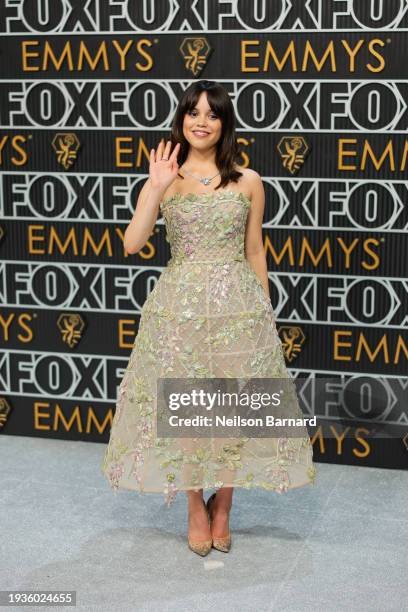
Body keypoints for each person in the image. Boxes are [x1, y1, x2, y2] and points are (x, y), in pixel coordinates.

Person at [101, 80, 316, 556]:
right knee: (190, 407)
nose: (201, 121)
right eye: (193, 112)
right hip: (180, 307)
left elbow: (255, 250)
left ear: (224, 124)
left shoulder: (249, 180)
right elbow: (132, 244)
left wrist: (264, 313)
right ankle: (196, 504)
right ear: (181, 120)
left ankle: (226, 504)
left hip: (238, 307)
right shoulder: (166, 177)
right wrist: (155, 189)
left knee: (238, 408)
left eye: (212, 114)